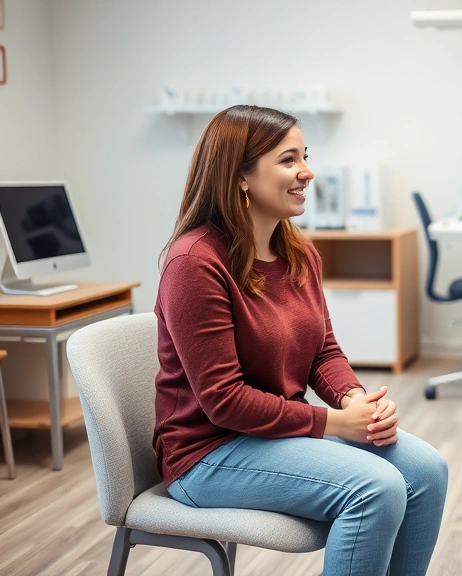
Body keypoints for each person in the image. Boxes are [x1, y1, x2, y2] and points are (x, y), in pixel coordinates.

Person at [153, 105, 447, 576]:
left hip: (278, 435)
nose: (307, 172)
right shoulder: (195, 263)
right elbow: (224, 402)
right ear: (241, 176)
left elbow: (323, 351)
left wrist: (356, 402)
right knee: (376, 487)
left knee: (427, 472)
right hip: (210, 453)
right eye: (288, 160)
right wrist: (334, 423)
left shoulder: (299, 252)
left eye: (304, 156)